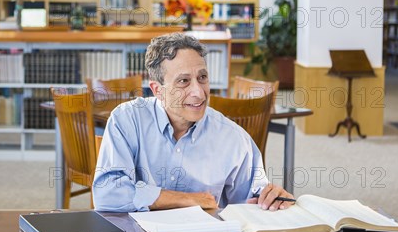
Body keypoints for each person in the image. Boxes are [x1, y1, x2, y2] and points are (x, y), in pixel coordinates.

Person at [93, 33, 294, 212]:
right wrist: (190, 200)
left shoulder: (233, 137)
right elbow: (107, 192)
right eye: (184, 81)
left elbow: (254, 201)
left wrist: (272, 200)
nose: (198, 92)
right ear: (157, 90)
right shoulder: (127, 119)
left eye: (202, 77)